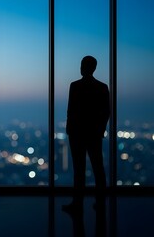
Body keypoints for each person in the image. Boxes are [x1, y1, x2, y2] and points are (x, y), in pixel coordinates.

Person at [63, 55, 110, 212]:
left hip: (77, 133)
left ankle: (77, 203)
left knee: (79, 169)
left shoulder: (75, 86)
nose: (81, 67)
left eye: (83, 64)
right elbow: (106, 112)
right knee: (98, 167)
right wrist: (100, 129)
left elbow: (71, 110)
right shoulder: (102, 87)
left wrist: (70, 129)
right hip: (93, 133)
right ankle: (101, 202)